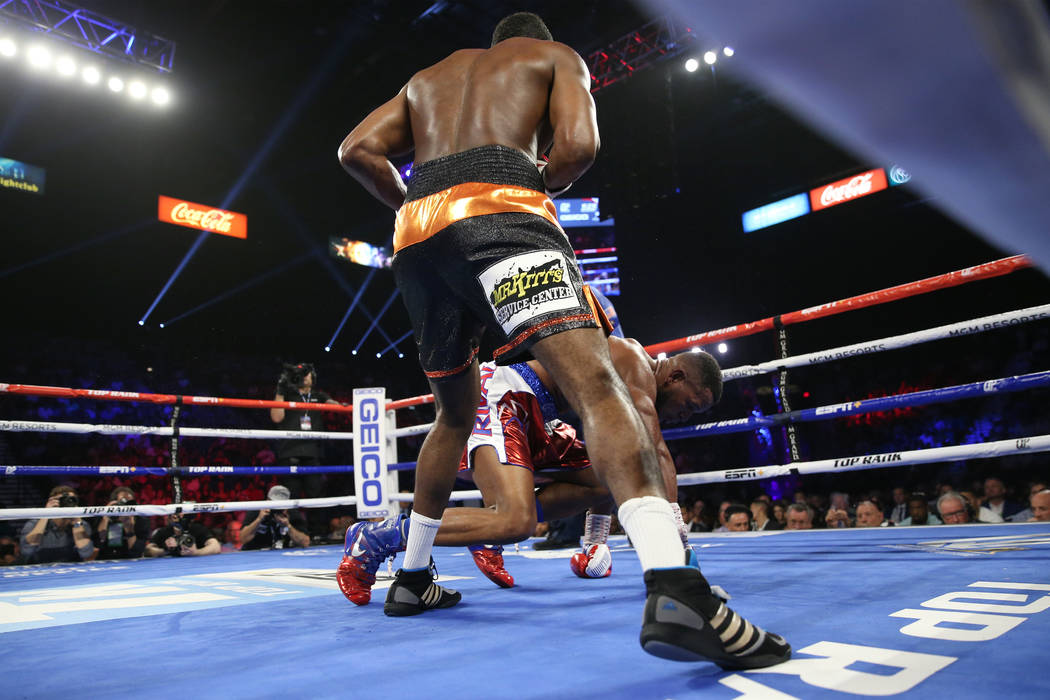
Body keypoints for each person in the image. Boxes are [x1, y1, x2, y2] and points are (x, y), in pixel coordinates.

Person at [338, 10, 789, 667]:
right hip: (503, 214)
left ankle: (409, 580)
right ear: (534, 44)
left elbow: (355, 151)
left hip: (415, 238)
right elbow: (578, 148)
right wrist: (520, 182)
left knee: (451, 414)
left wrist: (419, 205)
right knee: (600, 388)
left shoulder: (425, 80)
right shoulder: (554, 58)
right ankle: (678, 591)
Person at [339, 337, 722, 597]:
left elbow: (625, 461)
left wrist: (595, 544)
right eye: (689, 405)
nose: (682, 415)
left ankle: (502, 536)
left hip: (541, 413)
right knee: (516, 521)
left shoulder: (631, 366)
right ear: (674, 375)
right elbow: (653, 451)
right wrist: (680, 547)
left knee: (611, 474)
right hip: (505, 394)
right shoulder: (638, 368)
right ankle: (378, 536)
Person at [270, 362, 342, 538]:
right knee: (290, 497)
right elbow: (276, 417)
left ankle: (317, 535)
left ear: (313, 378)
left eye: (307, 374)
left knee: (316, 496)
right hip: (289, 452)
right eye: (301, 374)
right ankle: (294, 536)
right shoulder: (287, 394)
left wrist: (340, 403)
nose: (304, 377)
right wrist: (280, 390)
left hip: (312, 452)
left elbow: (338, 408)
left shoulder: (318, 396)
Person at [20, 485, 95, 564]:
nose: (67, 503)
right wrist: (46, 514)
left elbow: (86, 553)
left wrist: (76, 520)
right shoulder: (34, 524)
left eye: (71, 500)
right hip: (40, 568)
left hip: (70, 569)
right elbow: (27, 551)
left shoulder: (80, 524)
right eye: (62, 500)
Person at [240, 485, 311, 550]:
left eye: (281, 504)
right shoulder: (256, 510)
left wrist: (288, 526)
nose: (277, 507)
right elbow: (243, 539)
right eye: (275, 503)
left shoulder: (292, 513)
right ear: (268, 500)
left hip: (281, 556)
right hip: (255, 554)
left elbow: (305, 543)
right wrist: (258, 520)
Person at [95, 486, 150, 560]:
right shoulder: (105, 518)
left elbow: (136, 552)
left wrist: (129, 529)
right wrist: (106, 515)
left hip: (130, 561)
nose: (127, 507)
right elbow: (98, 543)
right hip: (106, 559)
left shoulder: (141, 521)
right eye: (123, 502)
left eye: (130, 503)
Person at [145, 514, 221, 558]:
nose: (176, 517)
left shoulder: (197, 529)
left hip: (196, 565)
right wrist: (166, 550)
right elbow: (148, 550)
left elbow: (216, 546)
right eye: (174, 515)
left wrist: (196, 552)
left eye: (180, 515)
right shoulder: (164, 531)